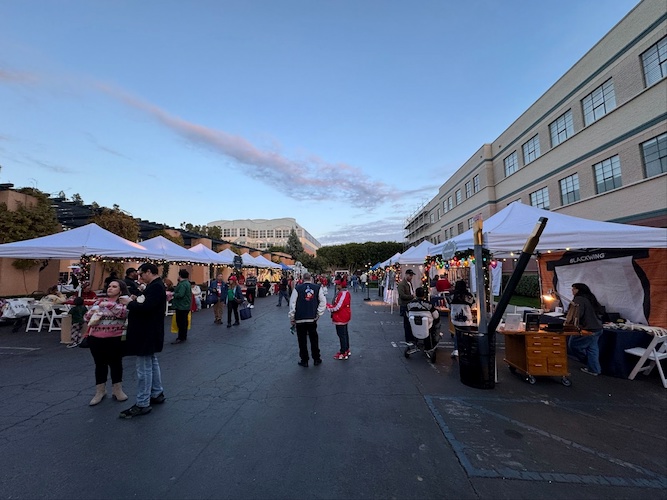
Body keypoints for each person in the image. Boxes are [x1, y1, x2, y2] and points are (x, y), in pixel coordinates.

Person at [118, 263, 166, 419]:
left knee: (144, 368)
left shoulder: (156, 287)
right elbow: (147, 303)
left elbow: (146, 307)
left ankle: (142, 403)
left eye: (141, 274)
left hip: (146, 332)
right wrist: (136, 299)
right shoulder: (156, 286)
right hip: (150, 332)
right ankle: (156, 392)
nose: (140, 277)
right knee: (151, 362)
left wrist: (130, 303)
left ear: (148, 272)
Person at [84, 279, 130, 406]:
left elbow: (123, 313)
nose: (110, 288)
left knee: (116, 363)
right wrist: (92, 312)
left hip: (115, 338)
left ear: (120, 290)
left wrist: (107, 305)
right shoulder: (98, 302)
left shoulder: (123, 302)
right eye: (109, 286)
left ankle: (117, 390)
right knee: (100, 364)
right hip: (96, 337)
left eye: (114, 287)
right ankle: (100, 391)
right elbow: (86, 317)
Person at [289, 272, 327, 367]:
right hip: (312, 317)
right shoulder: (317, 288)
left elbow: (292, 303)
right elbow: (323, 301)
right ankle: (316, 358)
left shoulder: (297, 288)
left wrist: (292, 317)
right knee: (314, 339)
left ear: (302, 278)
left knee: (302, 340)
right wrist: (318, 313)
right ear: (311, 278)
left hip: (300, 318)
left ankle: (304, 360)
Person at [568, 283, 604, 376]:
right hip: (598, 328)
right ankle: (594, 369)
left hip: (588, 328)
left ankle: (589, 363)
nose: (572, 291)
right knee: (592, 349)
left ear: (578, 290)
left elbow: (577, 314)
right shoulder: (591, 298)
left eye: (574, 289)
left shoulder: (579, 299)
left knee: (574, 345)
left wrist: (570, 322)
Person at [406, 288, 440, 354]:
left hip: (414, 324)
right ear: (424, 295)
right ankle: (434, 340)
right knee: (437, 322)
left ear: (415, 294)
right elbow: (436, 316)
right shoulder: (428, 305)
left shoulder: (409, 304)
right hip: (428, 325)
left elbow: (407, 315)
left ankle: (413, 342)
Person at [327, 278, 352, 360]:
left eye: (337, 284)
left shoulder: (343, 294)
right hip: (343, 315)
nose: (336, 286)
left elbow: (338, 306)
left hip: (341, 316)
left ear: (341, 285)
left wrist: (329, 307)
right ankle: (346, 349)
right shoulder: (344, 292)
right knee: (344, 334)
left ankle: (343, 352)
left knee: (341, 334)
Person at [450, 280, 475, 358]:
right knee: (467, 335)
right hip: (466, 319)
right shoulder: (468, 296)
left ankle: (456, 349)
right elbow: (473, 305)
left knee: (457, 334)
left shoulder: (452, 296)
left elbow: (449, 305)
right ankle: (467, 350)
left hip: (455, 319)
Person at [171, 269, 192, 344]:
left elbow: (180, 294)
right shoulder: (187, 283)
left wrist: (173, 294)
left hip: (181, 305)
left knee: (180, 322)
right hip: (185, 305)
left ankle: (181, 337)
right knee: (184, 321)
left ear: (180, 276)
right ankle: (183, 336)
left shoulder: (182, 284)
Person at [397, 269, 416, 346]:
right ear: (406, 275)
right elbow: (402, 296)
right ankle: (408, 338)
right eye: (410, 275)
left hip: (410, 304)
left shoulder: (409, 283)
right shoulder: (402, 284)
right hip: (405, 304)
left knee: (410, 322)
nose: (411, 277)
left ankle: (411, 337)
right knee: (407, 322)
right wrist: (412, 296)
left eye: (412, 276)